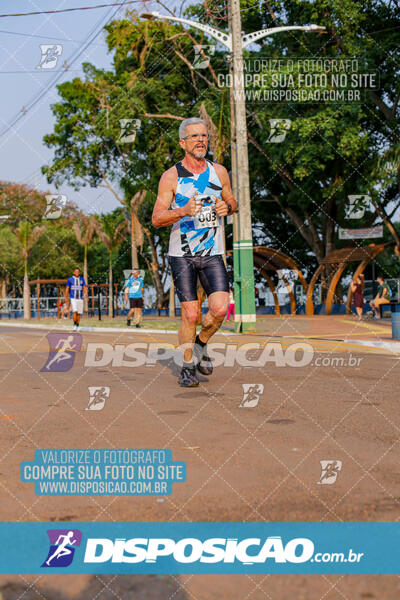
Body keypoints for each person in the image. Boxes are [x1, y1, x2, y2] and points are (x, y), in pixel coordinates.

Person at [152, 117, 237, 387]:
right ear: (182, 143)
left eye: (204, 136)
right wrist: (183, 211)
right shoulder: (171, 176)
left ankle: (200, 345)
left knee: (220, 309)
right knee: (190, 314)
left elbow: (231, 198)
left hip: (213, 252)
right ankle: (187, 367)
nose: (201, 140)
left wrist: (228, 207)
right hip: (182, 254)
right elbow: (156, 218)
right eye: (194, 136)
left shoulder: (219, 171)